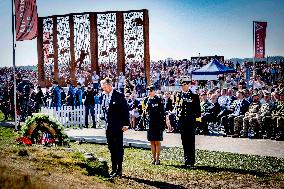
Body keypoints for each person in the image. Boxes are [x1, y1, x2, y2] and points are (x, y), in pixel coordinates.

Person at [100, 77, 129, 179]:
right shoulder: (103, 96)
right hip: (108, 127)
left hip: (118, 126)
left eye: (104, 86)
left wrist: (126, 124)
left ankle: (119, 169)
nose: (103, 88)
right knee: (111, 148)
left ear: (109, 85)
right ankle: (113, 169)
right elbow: (105, 110)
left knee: (118, 148)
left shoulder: (119, 96)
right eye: (102, 87)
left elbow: (125, 110)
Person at [175, 78, 201, 167]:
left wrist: (196, 122)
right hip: (182, 122)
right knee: (184, 141)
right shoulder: (179, 95)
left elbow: (198, 111)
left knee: (191, 141)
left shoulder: (194, 95)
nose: (182, 87)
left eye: (184, 85)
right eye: (181, 85)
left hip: (191, 122)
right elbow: (178, 108)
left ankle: (191, 160)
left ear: (188, 85)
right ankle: (186, 159)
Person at [142, 85, 165, 165]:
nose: (149, 92)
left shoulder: (159, 100)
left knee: (157, 141)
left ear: (154, 91)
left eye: (151, 90)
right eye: (148, 90)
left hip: (157, 124)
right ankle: (154, 159)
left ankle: (158, 159)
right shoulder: (146, 100)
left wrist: (162, 124)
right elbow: (144, 113)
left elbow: (162, 112)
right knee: (152, 141)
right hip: (150, 123)